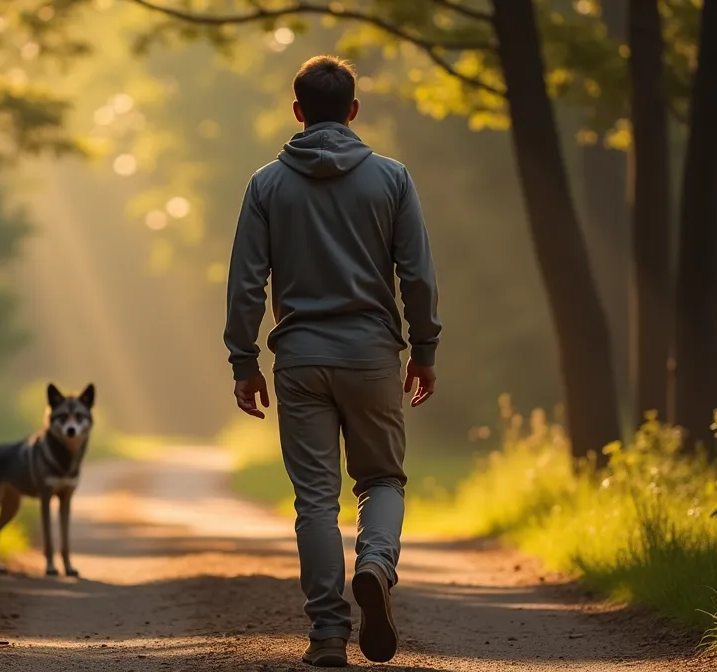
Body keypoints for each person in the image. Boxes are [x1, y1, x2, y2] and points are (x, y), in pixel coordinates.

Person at [222, 55, 441, 667]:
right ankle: (374, 564)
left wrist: (244, 360)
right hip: (372, 353)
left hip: (299, 358)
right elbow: (417, 275)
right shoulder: (392, 178)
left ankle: (326, 636)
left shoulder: (266, 184)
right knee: (381, 480)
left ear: (296, 111)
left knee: (315, 500)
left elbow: (246, 282)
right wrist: (423, 349)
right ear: (353, 111)